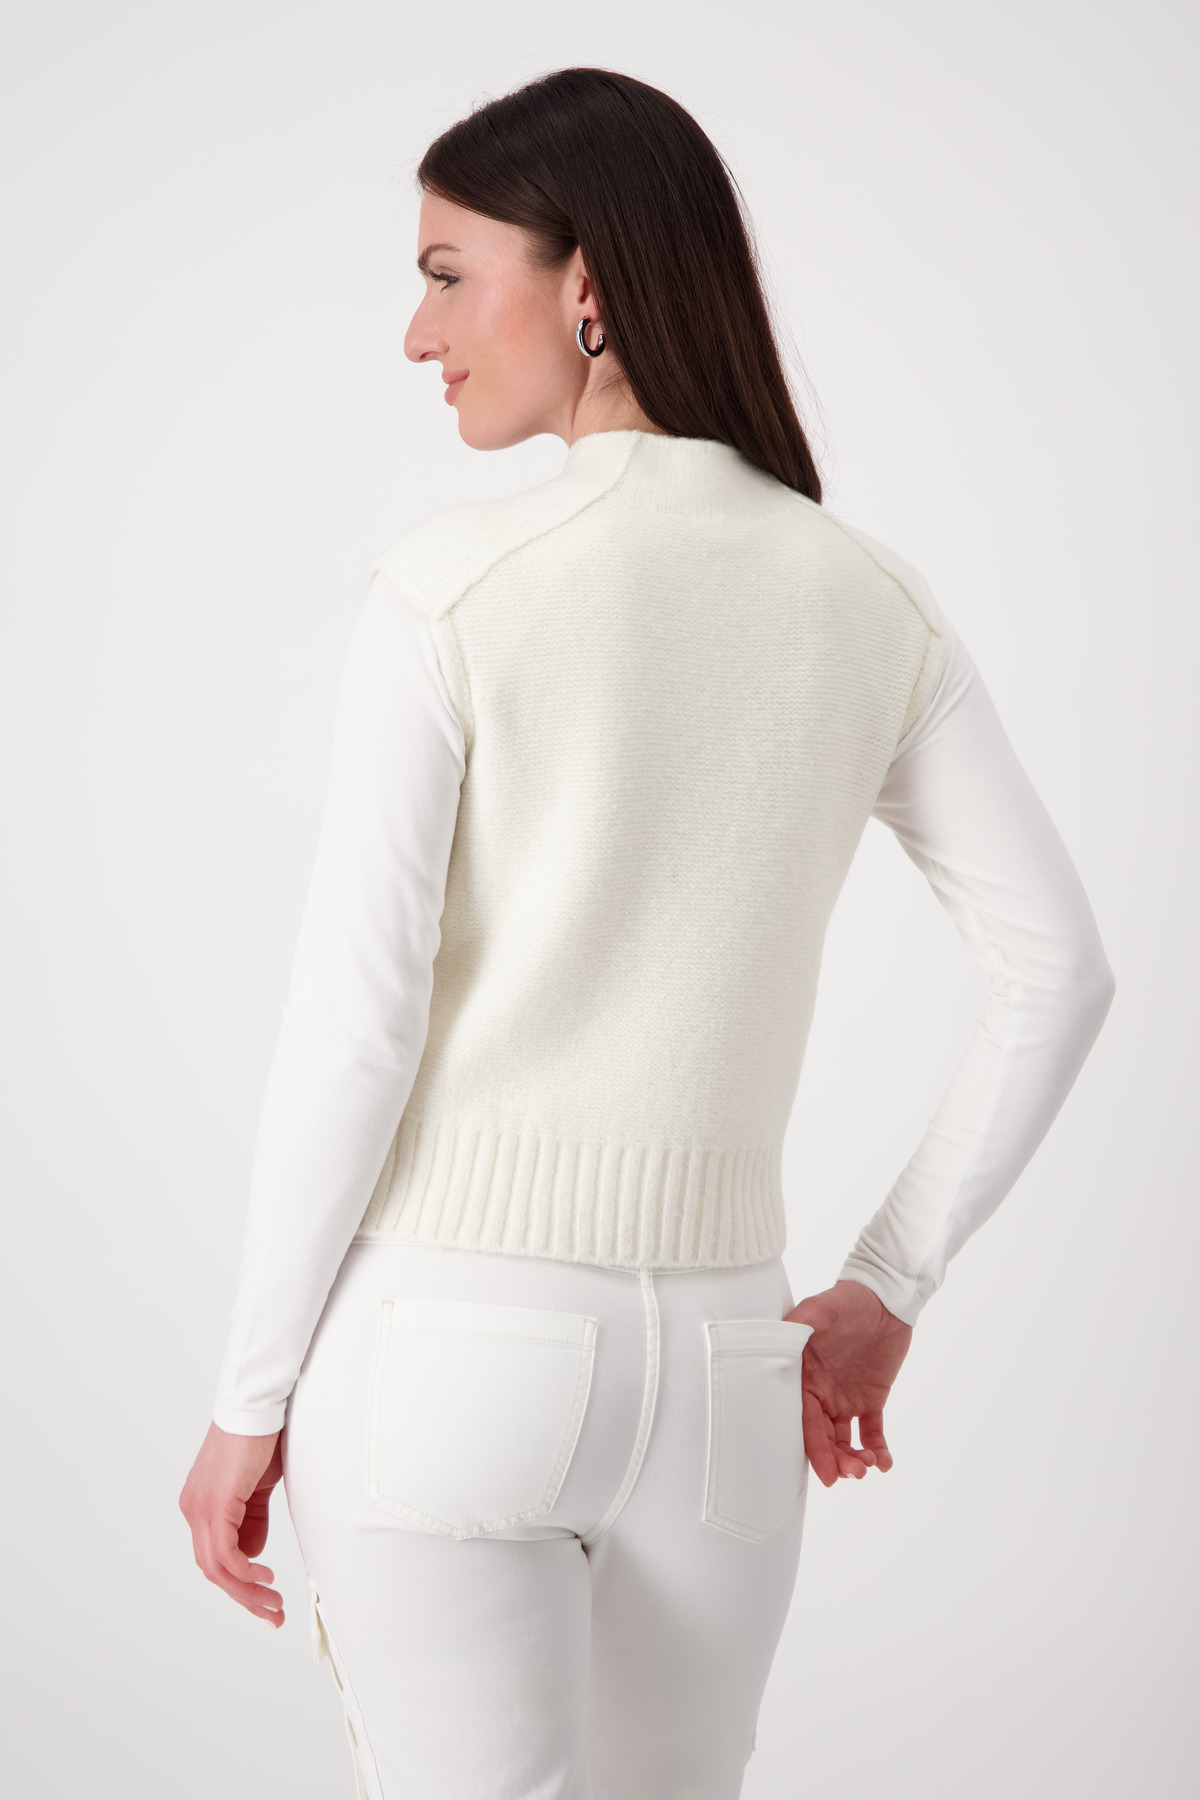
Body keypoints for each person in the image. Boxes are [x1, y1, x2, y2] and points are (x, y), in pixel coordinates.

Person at [179, 65, 1116, 1800]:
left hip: (446, 1353)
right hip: (727, 1377)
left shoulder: (448, 590)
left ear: (589, 283)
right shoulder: (869, 599)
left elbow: (357, 1032)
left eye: (448, 275)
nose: (416, 333)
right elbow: (1060, 971)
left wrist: (249, 1397)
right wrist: (888, 1285)